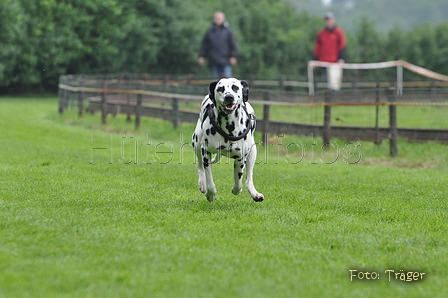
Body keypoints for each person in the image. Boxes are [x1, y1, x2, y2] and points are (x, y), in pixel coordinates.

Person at [198, 12, 238, 79]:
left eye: (219, 18)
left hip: (226, 61)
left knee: (228, 80)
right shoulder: (210, 31)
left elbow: (233, 44)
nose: (218, 20)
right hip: (214, 61)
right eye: (217, 18)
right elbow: (205, 45)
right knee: (216, 82)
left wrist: (233, 56)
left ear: (223, 19)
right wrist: (202, 56)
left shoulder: (228, 31)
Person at [313, 12, 346, 86]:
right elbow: (317, 47)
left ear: (333, 20)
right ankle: (328, 97)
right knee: (326, 82)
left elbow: (342, 46)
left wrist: (341, 58)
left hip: (335, 62)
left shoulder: (338, 32)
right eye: (327, 20)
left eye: (330, 19)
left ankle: (334, 96)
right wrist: (315, 59)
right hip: (324, 62)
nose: (328, 22)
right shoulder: (321, 33)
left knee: (334, 83)